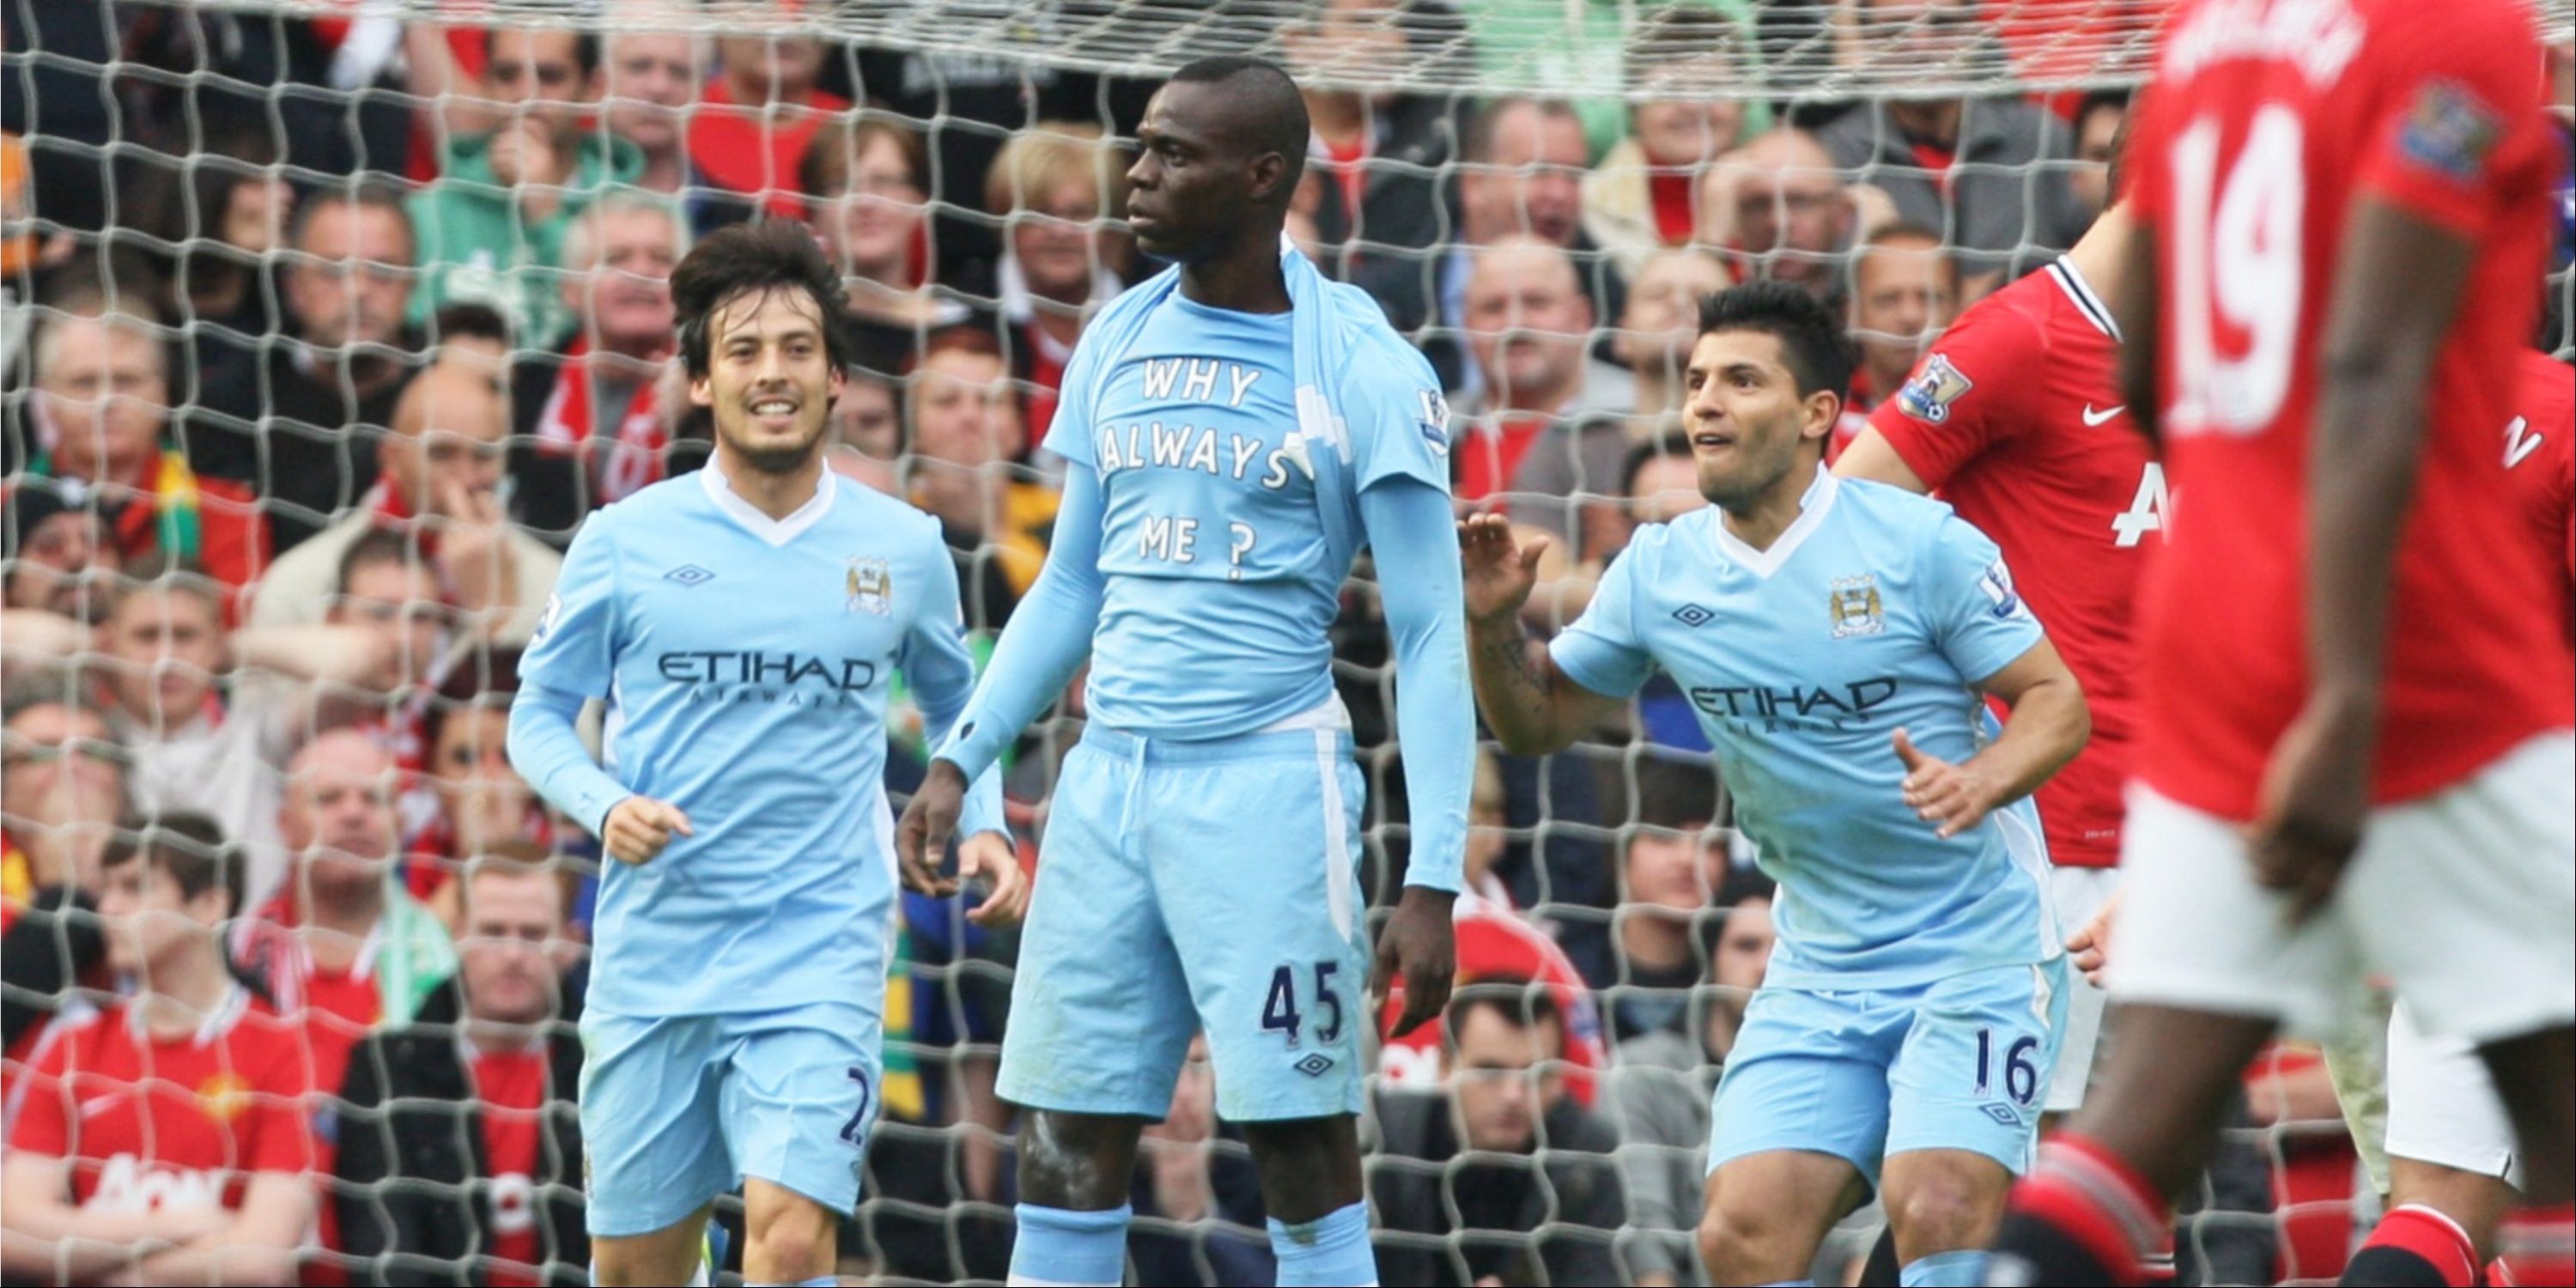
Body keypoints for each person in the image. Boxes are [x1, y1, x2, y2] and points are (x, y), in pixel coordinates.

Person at [1985, 0, 2574, 1281]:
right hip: (2417, 638)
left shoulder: (2204, 35)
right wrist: (2351, 692)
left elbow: (2138, 349)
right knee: (2541, 1109)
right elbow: (2370, 363)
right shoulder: (2462, 39)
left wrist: (2244, 500)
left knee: (2135, 1123)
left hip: (2216, 626)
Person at [895, 55, 1473, 1288]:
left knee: (1300, 1138)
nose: (1137, 174)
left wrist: (1434, 881)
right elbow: (1070, 586)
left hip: (1269, 785)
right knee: (1063, 1134)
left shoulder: (1363, 366)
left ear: (1262, 177)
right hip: (1108, 787)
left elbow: (1429, 631)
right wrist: (962, 753)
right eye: (1139, 149)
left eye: (1170, 153)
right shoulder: (1115, 334)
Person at [1462, 280, 2091, 1285]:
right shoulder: (1661, 572)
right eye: (1698, 379)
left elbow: (2058, 701)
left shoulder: (1917, 545)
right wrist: (1494, 623)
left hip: (1976, 948)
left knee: (1938, 1204)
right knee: (1740, 1236)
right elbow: (1534, 724)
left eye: (1741, 380)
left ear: (1817, 417)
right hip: (1821, 964)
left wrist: (1982, 779)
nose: (1704, 401)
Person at [504, 219, 1021, 1285]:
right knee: (637, 1269)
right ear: (700, 382)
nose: (771, 373)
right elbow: (537, 717)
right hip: (657, 953)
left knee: (790, 1238)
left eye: (795, 349)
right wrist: (602, 805)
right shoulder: (624, 538)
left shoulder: (905, 544)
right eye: (741, 352)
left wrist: (983, 821)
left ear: (836, 376)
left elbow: (958, 697)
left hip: (821, 944)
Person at [1835, 185, 2156, 1128]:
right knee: (2011, 1177)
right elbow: (1844, 525)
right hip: (2046, 840)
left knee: (2130, 1193)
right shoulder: (2023, 338)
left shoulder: (2216, 359)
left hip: (2170, 835)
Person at [0, 815, 318, 1288]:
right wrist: (176, 1226)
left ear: (209, 904)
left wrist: (103, 1265)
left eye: (134, 888)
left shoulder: (283, 1049)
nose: (107, 908)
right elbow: (9, 1234)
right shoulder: (73, 1047)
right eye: (106, 889)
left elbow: (259, 1259)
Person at [334, 851, 588, 1286]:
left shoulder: (608, 1071)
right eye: (492, 932)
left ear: (570, 944)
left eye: (532, 934)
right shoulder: (386, 1070)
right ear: (456, 935)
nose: (512, 954)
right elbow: (384, 1250)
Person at [250, 357, 564, 647]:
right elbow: (259, 709)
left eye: (484, 455)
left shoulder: (555, 584)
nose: (468, 479)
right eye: (441, 454)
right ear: (391, 458)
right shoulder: (299, 582)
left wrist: (499, 621)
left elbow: (578, 709)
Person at [187, 184, 424, 554]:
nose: (358, 290)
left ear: (413, 283)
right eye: (333, 271)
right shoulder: (232, 404)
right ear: (294, 287)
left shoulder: (448, 392)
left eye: (382, 270)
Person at [234, 728, 458, 1090]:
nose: (354, 813)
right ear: (285, 826)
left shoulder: (446, 964)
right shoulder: (234, 953)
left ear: (400, 827)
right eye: (329, 799)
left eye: (373, 799)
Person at [1368, 983, 1628, 1285]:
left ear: (1559, 1078)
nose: (1513, 1095)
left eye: (1535, 1075)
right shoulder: (1384, 1143)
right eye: (1491, 1071)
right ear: (1444, 1066)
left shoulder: (1587, 1156)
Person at [24, 288, 270, 597]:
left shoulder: (228, 513)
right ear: (46, 398)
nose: (106, 400)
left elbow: (223, 635)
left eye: (127, 381)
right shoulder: (7, 507)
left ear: (163, 394)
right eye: (84, 382)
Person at [409, 26, 643, 346]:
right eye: (507, 76)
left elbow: (626, 337)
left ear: (594, 88)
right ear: (485, 84)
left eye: (549, 77)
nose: (526, 95)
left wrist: (547, 214)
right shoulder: (427, 213)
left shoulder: (639, 216)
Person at [1609, 866, 1777, 1288]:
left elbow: (1860, 1240)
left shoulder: (1845, 1081)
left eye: (1785, 950)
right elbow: (1643, 1228)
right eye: (1746, 946)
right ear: (1711, 956)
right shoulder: (1644, 1074)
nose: (1765, 967)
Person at [510, 192, 686, 541]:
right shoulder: (526, 384)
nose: (643, 272)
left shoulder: (716, 387)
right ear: (571, 289)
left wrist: (698, 416)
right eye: (617, 258)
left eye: (662, 258)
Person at [1449, 236, 1638, 558]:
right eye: (1493, 308)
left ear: (1582, 317)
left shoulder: (1640, 422)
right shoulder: (1430, 431)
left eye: (1537, 303)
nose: (1514, 324)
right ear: (1467, 326)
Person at [983, 122, 1131, 440]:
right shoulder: (966, 314)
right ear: (1005, 218)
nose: (1060, 231)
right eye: (1041, 212)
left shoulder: (1149, 318)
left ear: (1112, 223)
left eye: (1079, 213)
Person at [903, 328, 1058, 630]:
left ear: (1018, 426)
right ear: (911, 427)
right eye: (947, 401)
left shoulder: (1063, 518)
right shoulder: (898, 527)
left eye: (989, 401)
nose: (970, 416)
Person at [684, 25, 852, 221]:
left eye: (804, 1)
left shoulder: (863, 135)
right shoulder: (675, 120)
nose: (785, 19)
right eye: (759, 2)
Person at [1701, 127, 1864, 307]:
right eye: (1758, 204)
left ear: (1843, 214)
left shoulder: (1857, 307)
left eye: (1800, 202)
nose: (1779, 222)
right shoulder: (1726, 308)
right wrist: (1711, 242)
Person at [1842, 225, 1957, 428]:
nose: (1910, 317)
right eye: (1888, 300)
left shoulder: (1983, 413)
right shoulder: (1824, 412)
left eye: (1929, 299)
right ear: (1853, 312)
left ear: (1958, 308)